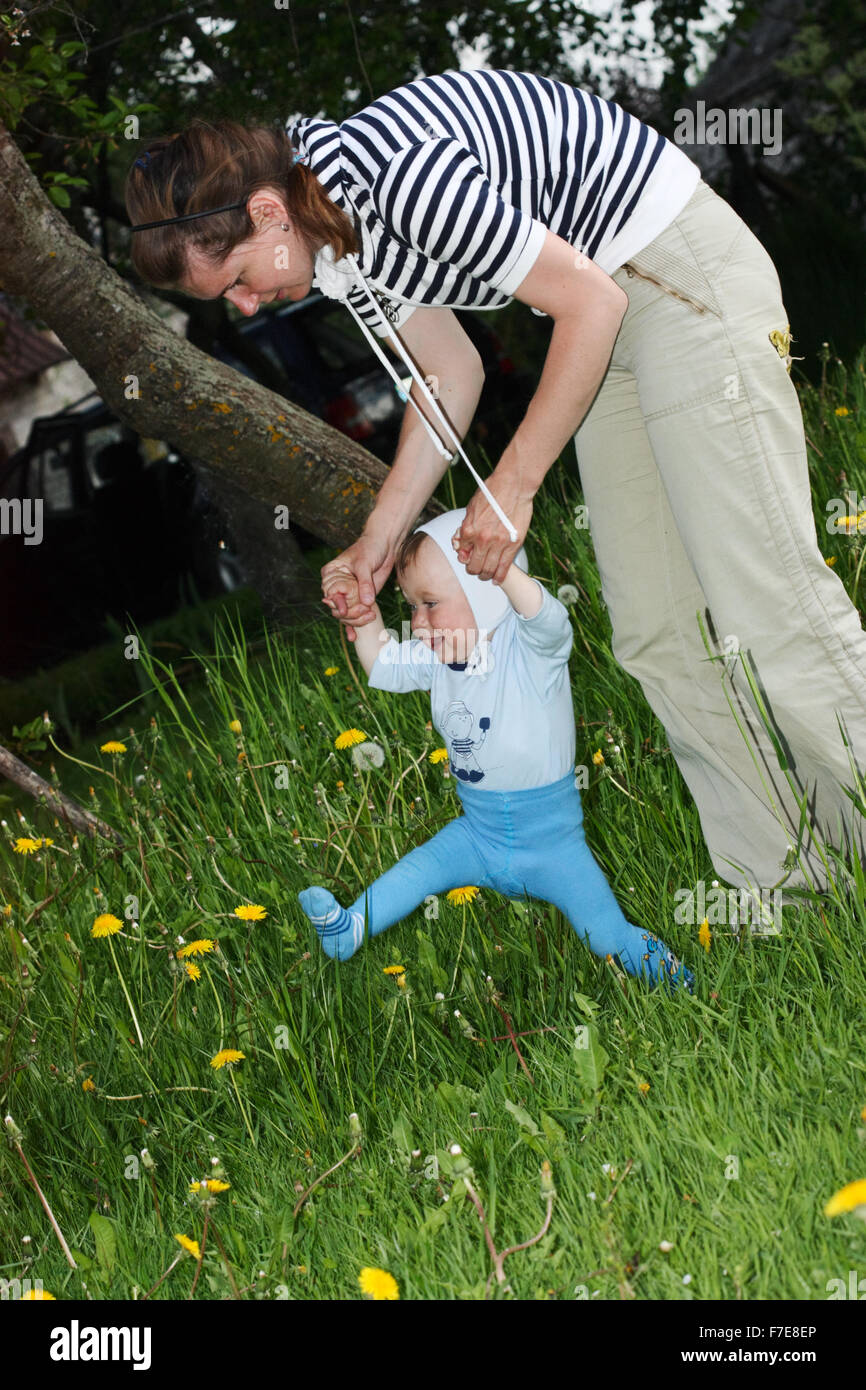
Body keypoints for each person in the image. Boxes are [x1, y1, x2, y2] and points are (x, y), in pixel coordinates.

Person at [125, 67, 866, 898]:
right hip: (605, 316)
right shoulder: (337, 243)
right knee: (655, 632)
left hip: (677, 277)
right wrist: (376, 546)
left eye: (237, 282)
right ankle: (788, 887)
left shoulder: (394, 179)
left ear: (266, 214)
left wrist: (512, 486)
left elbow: (591, 301)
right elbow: (447, 375)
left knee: (764, 596)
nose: (250, 306)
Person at [297, 507, 695, 992]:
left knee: (605, 934)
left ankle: (682, 985)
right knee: (419, 869)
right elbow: (384, 666)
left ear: (486, 594)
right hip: (478, 835)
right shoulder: (440, 657)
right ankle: (350, 928)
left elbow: (549, 621)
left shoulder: (528, 652)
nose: (418, 622)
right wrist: (365, 617)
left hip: (552, 846)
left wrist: (503, 571)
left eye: (430, 603)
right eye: (411, 606)